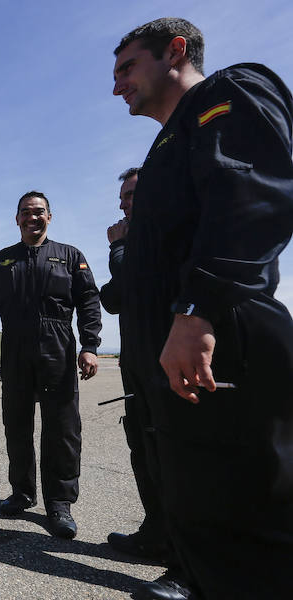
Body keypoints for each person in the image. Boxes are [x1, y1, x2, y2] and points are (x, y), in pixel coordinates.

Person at [112, 17, 293, 600]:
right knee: (202, 503)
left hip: (219, 336)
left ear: (175, 51)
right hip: (175, 350)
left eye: (127, 68)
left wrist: (197, 309)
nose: (117, 87)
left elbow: (249, 196)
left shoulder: (227, 93)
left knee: (246, 514)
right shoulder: (167, 142)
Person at [0, 191, 101, 539]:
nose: (33, 217)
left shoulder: (70, 256)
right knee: (16, 424)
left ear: (50, 216)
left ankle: (59, 503)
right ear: (16, 219)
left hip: (57, 346)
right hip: (15, 347)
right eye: (26, 212)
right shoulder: (2, 261)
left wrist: (89, 345)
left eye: (39, 212)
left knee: (62, 428)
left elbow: (89, 302)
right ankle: (23, 492)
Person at [101, 168, 186, 599]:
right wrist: (121, 256)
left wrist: (118, 246)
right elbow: (115, 298)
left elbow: (131, 281)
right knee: (144, 452)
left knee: (176, 463)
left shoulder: (166, 231)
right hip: (136, 364)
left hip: (167, 360)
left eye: (131, 195)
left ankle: (188, 567)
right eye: (122, 197)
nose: (123, 204)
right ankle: (155, 534)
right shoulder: (136, 243)